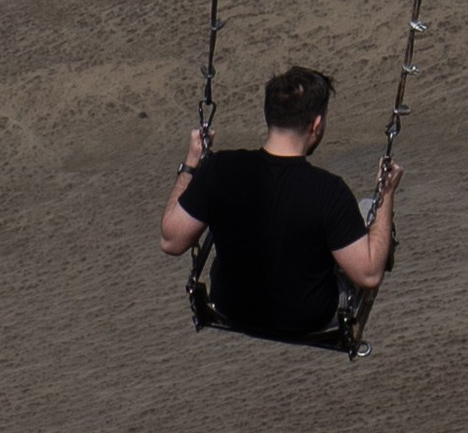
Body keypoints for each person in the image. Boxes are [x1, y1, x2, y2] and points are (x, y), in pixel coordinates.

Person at [159, 62, 398, 345]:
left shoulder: (218, 169)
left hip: (232, 307)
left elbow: (171, 241)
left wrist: (191, 164)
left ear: (269, 116)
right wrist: (388, 193)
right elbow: (369, 275)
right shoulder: (329, 191)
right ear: (317, 124)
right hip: (310, 318)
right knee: (370, 205)